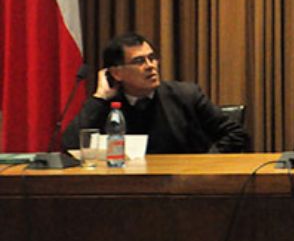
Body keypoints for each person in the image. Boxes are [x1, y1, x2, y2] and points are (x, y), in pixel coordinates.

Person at [62, 32, 247, 153]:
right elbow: (70, 145)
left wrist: (203, 164)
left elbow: (236, 134)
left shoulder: (186, 95)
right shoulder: (107, 106)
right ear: (117, 73)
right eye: (139, 61)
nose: (150, 66)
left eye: (152, 58)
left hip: (184, 188)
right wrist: (99, 98)